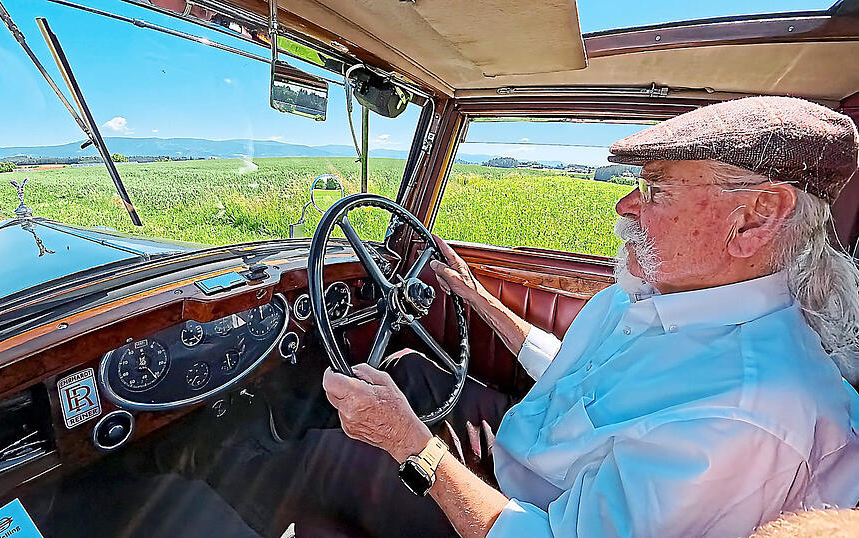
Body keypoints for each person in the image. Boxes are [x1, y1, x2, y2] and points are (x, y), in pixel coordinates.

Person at [316, 96, 859, 537]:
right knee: (409, 368)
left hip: (530, 514)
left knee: (322, 461)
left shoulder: (742, 416)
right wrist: (475, 295)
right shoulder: (653, 294)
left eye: (657, 188)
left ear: (757, 217)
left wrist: (415, 447)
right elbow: (574, 372)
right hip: (526, 453)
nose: (625, 204)